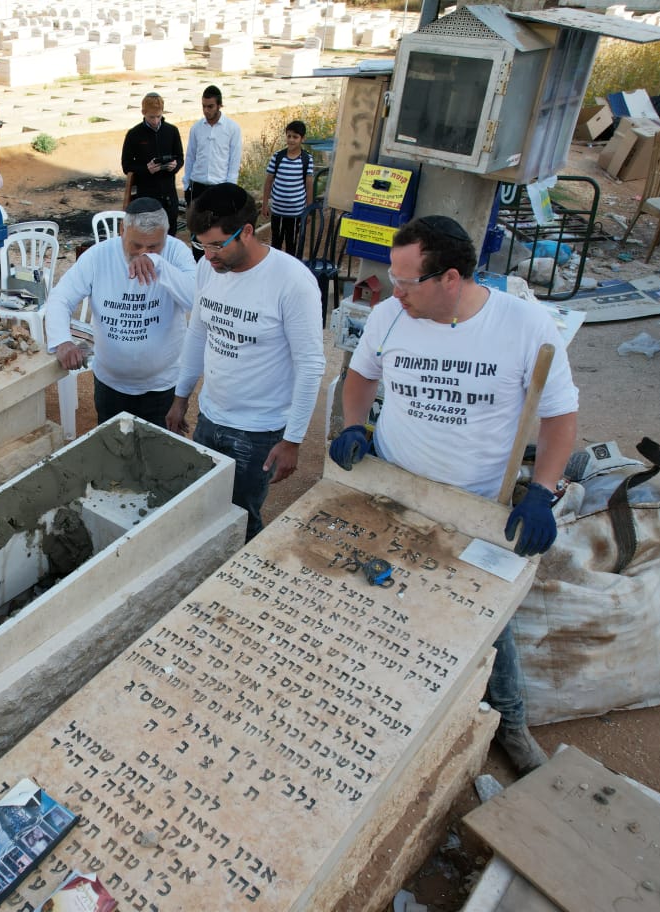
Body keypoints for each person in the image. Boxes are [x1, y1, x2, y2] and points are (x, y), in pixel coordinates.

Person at [328, 214, 579, 776]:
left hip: (475, 505)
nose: (395, 293)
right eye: (394, 279)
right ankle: (390, 698)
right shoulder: (391, 318)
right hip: (393, 488)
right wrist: (353, 425)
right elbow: (360, 377)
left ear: (450, 278)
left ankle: (510, 723)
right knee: (380, 589)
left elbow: (560, 416)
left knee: (489, 616)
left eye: (407, 281)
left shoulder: (523, 326)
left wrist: (539, 492)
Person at [166, 183, 325, 540]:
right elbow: (198, 334)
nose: (207, 255)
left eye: (217, 244)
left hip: (259, 432)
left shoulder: (292, 282)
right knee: (201, 508)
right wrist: (181, 397)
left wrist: (293, 439)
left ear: (248, 232)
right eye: (201, 244)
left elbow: (311, 364)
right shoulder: (210, 269)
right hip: (210, 416)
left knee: (240, 520)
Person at [44, 197, 196, 425]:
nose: (144, 253)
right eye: (136, 245)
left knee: (157, 454)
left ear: (165, 235)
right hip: (110, 384)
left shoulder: (176, 252)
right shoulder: (99, 255)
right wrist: (62, 341)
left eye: (154, 246)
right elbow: (61, 297)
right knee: (113, 450)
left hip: (161, 384)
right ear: (122, 230)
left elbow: (195, 300)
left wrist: (160, 264)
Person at [183, 85, 242, 260]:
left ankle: (217, 271)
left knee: (218, 233)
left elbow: (234, 161)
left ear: (219, 106)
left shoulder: (232, 129)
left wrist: (230, 190)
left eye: (210, 106)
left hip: (220, 188)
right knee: (197, 233)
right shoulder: (196, 128)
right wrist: (187, 185)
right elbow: (190, 157)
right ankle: (197, 269)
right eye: (203, 106)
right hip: (198, 187)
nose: (206, 110)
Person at [121, 92, 183, 236]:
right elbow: (126, 165)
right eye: (151, 117)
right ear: (143, 113)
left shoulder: (171, 131)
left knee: (170, 236)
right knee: (148, 236)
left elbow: (180, 158)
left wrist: (175, 166)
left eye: (158, 117)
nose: (155, 121)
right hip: (147, 196)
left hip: (169, 195)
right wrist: (146, 169)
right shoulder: (134, 134)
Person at [260, 120, 315, 255]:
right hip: (278, 211)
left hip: (295, 212)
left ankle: (289, 272)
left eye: (295, 137)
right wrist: (265, 204)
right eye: (289, 136)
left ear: (302, 139)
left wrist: (309, 210)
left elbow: (309, 186)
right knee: (276, 243)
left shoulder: (307, 159)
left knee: (291, 244)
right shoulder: (278, 157)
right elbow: (268, 182)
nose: (291, 140)